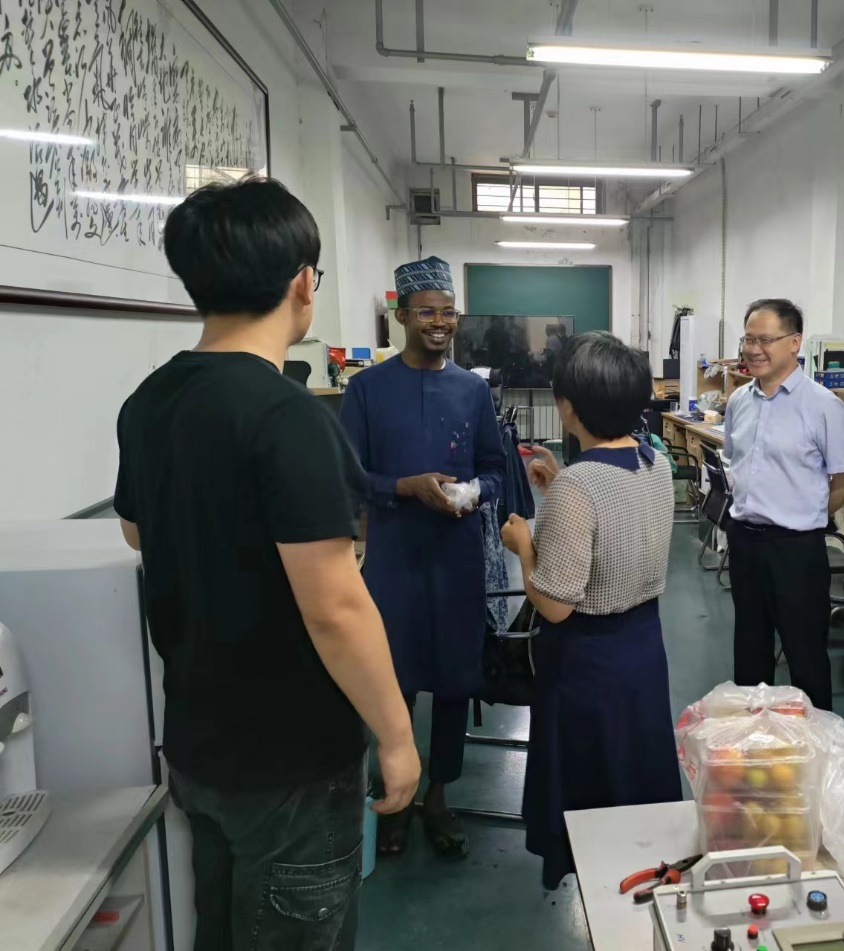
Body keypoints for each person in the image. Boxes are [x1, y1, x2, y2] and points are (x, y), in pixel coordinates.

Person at [113, 178, 419, 950]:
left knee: (220, 928)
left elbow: (137, 533)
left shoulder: (150, 400)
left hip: (198, 744)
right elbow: (335, 606)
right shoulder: (287, 416)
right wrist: (395, 736)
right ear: (302, 283)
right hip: (291, 760)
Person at [500, 332, 681, 889]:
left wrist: (523, 546)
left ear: (569, 407)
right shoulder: (655, 462)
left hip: (588, 662)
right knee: (635, 768)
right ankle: (646, 868)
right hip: (642, 647)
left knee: (591, 779)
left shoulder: (580, 485)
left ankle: (598, 881)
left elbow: (555, 605)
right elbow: (617, 517)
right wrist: (559, 485)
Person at [339, 256, 506, 859]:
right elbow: (351, 475)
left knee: (456, 680)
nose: (440, 323)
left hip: (456, 559)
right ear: (402, 316)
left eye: (448, 313)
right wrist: (404, 488)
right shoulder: (366, 390)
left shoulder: (472, 390)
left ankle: (438, 796)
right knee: (396, 677)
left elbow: (495, 470)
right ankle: (397, 795)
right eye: (427, 313)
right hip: (396, 560)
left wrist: (474, 493)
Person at [724, 299, 844, 712]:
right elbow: (734, 461)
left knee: (805, 655)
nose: (753, 349)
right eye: (748, 339)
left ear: (794, 342)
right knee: (749, 650)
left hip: (796, 549)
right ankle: (753, 738)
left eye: (765, 340)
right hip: (745, 542)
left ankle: (816, 740)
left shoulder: (823, 405)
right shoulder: (738, 401)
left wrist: (808, 514)